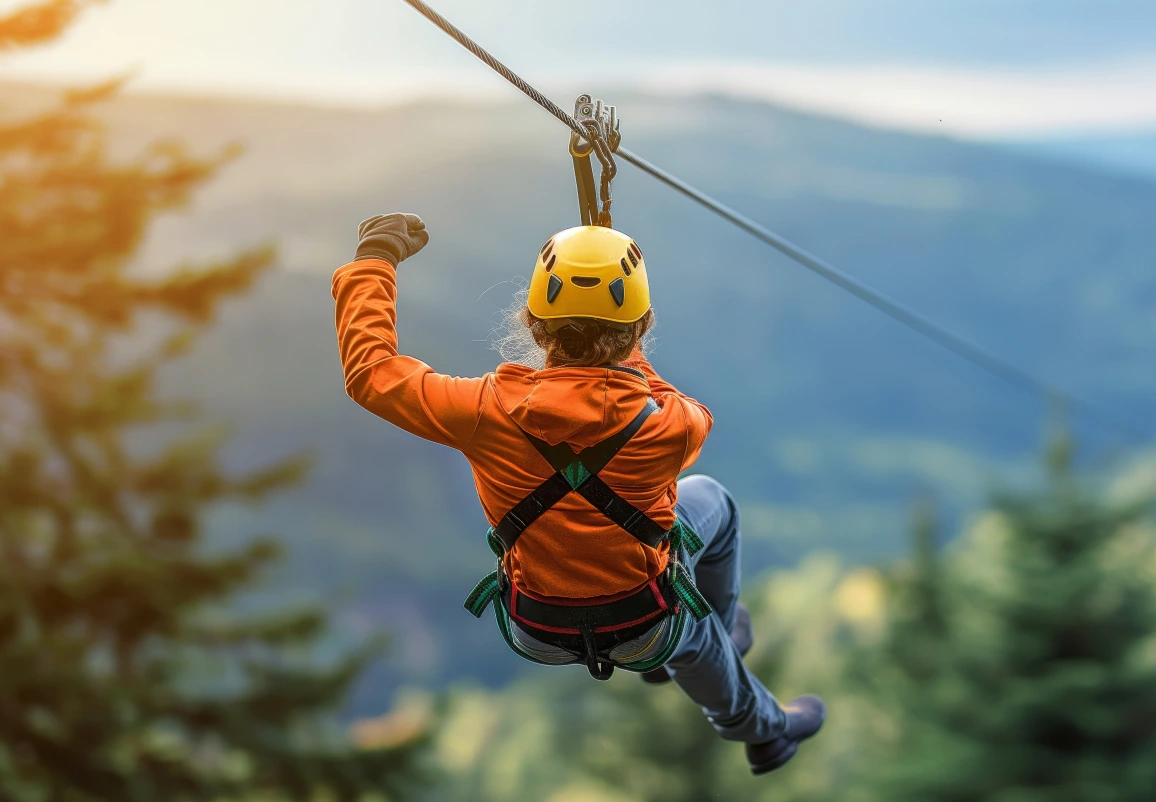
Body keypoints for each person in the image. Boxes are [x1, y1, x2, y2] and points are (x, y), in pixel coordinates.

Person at [330, 213, 825, 774]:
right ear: (639, 331)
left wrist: (376, 259)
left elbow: (371, 373)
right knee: (710, 512)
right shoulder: (671, 427)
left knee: (692, 574)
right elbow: (668, 401)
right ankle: (764, 727)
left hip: (536, 624)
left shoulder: (483, 411)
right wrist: (621, 353)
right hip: (645, 621)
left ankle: (723, 652)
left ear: (536, 327)